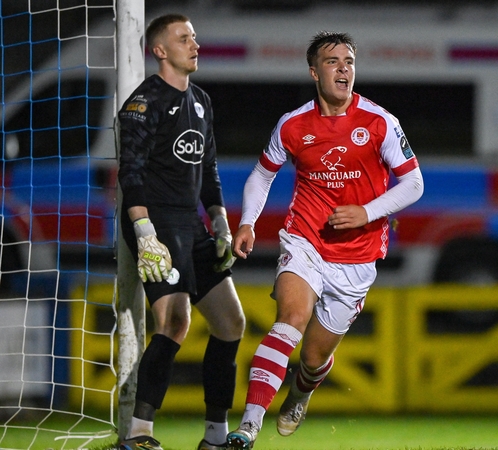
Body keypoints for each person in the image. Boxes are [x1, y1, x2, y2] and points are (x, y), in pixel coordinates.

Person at [224, 31, 424, 450]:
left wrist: (366, 212)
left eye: (349, 61)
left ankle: (300, 394)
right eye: (333, 62)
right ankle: (247, 426)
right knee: (291, 319)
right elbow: (263, 174)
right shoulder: (293, 124)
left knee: (313, 359)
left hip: (359, 256)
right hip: (305, 241)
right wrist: (247, 223)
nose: (344, 68)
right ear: (315, 72)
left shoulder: (379, 122)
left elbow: (414, 183)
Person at [116, 13, 245, 450]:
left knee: (231, 322)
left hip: (190, 222)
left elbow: (207, 169)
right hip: (154, 220)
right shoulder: (143, 103)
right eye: (184, 38)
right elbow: (129, 173)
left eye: (195, 37)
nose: (195, 44)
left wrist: (221, 221)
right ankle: (138, 434)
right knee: (174, 322)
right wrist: (144, 231)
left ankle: (214, 437)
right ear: (160, 51)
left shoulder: (202, 101)